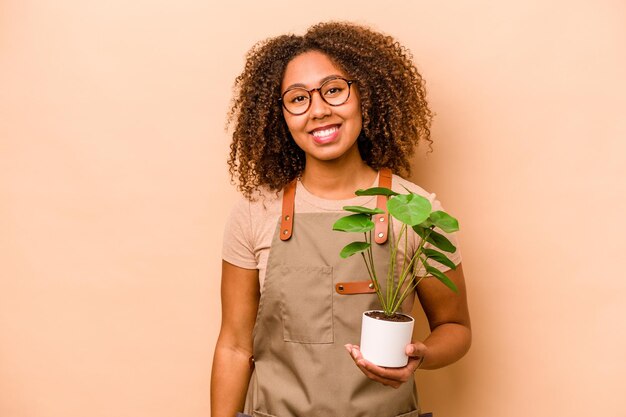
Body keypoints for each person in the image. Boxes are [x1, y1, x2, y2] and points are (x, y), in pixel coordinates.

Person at [211, 21, 471, 417]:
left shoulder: (416, 211)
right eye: (297, 99)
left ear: (363, 94)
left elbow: (456, 327)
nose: (318, 110)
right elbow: (233, 345)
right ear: (279, 114)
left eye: (333, 90)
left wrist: (422, 354)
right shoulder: (255, 214)